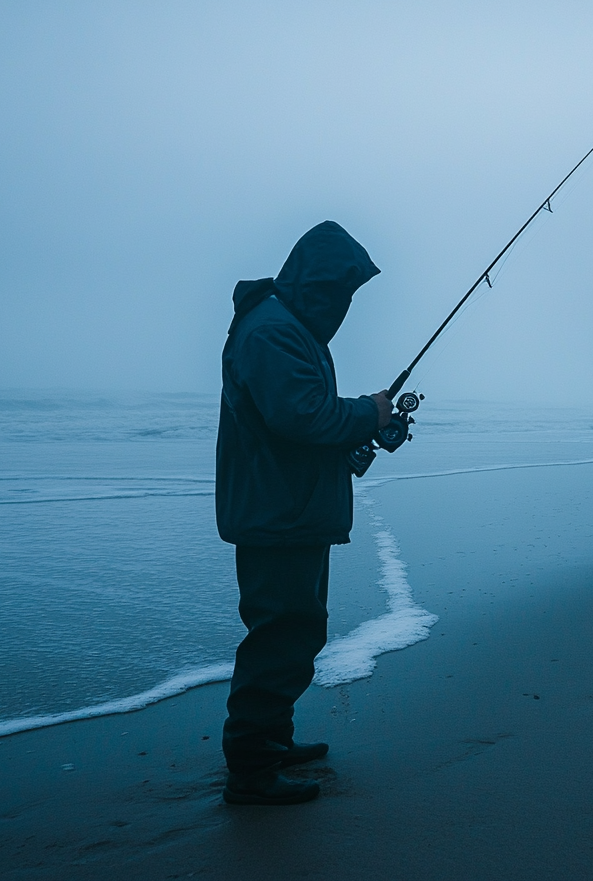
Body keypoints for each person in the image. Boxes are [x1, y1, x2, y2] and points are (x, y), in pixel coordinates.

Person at [215, 220, 391, 805]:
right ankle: (251, 770)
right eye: (340, 290)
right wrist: (367, 412)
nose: (343, 304)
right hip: (277, 515)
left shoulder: (289, 328)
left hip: (291, 509)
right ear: (315, 281)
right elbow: (304, 417)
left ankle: (272, 740)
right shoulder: (272, 331)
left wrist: (371, 424)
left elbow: (304, 422)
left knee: (296, 630)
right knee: (279, 635)